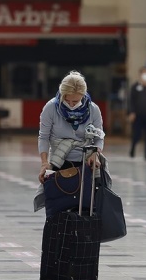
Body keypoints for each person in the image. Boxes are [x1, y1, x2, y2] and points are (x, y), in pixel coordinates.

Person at [38, 71, 104, 215]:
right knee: (57, 207)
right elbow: (43, 137)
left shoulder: (93, 110)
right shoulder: (51, 108)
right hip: (59, 162)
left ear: (83, 96)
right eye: (67, 101)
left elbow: (99, 137)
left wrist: (95, 154)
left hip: (85, 163)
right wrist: (44, 163)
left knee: (87, 206)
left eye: (75, 101)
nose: (71, 104)